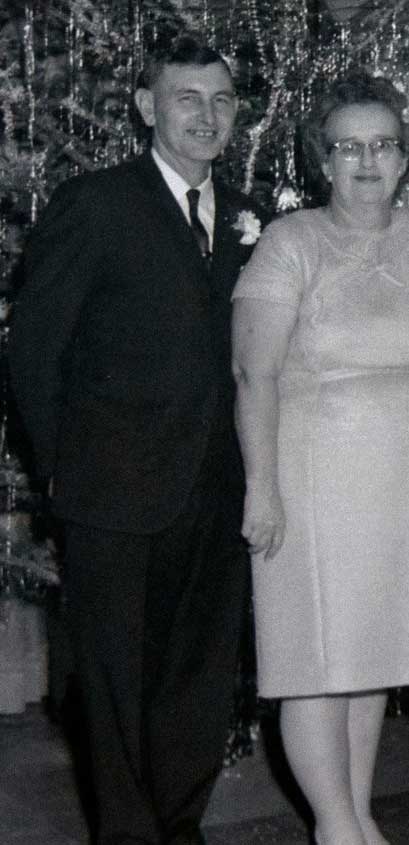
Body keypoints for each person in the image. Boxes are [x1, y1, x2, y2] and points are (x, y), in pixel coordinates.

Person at [8, 34, 262, 844]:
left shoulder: (253, 216)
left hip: (218, 489)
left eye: (221, 101)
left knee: (198, 675)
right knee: (114, 683)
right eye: (187, 99)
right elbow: (34, 347)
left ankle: (178, 826)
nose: (206, 116)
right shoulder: (95, 204)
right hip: (111, 490)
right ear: (148, 107)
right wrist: (61, 470)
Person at [232, 70, 409, 845]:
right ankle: (336, 827)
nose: (368, 161)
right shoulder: (289, 243)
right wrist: (261, 487)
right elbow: (254, 373)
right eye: (349, 147)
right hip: (314, 482)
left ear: (404, 157)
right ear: (322, 159)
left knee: (371, 653)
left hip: (406, 483)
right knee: (315, 660)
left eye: (383, 145)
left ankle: (358, 813)